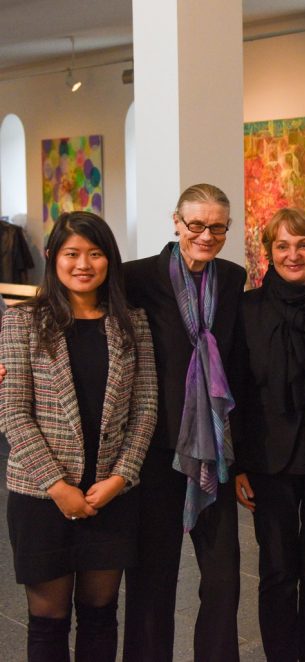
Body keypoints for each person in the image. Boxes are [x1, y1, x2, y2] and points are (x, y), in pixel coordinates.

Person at [0, 211, 157, 661]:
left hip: (110, 494)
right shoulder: (22, 321)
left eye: (95, 253)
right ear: (52, 257)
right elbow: (13, 411)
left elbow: (145, 408)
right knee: (47, 622)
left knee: (100, 615)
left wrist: (120, 478)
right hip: (40, 496)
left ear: (110, 260)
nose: (83, 264)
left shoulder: (132, 322)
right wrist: (57, 486)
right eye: (72, 253)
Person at [121, 184, 247, 662]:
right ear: (176, 222)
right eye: (196, 224)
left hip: (213, 448)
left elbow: (239, 358)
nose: (206, 235)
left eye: (218, 227)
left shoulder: (232, 278)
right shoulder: (136, 278)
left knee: (223, 580)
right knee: (152, 579)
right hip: (156, 449)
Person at [233, 208, 305, 662]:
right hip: (268, 460)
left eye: (303, 244)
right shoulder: (247, 310)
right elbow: (238, 391)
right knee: (277, 571)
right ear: (269, 252)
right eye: (282, 245)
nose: (293, 254)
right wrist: (238, 464)